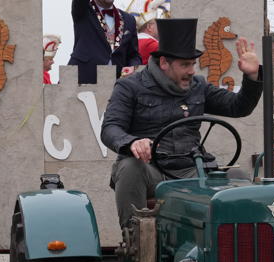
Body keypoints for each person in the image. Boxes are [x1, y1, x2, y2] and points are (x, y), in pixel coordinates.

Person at [100, 19, 261, 226]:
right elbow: (110, 128)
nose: (192, 71)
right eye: (185, 64)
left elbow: (238, 107)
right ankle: (137, 240)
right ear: (164, 63)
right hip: (152, 170)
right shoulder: (129, 86)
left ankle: (235, 247)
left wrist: (252, 76)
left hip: (192, 169)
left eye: (192, 64)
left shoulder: (198, 86)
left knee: (238, 177)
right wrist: (132, 142)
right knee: (130, 167)